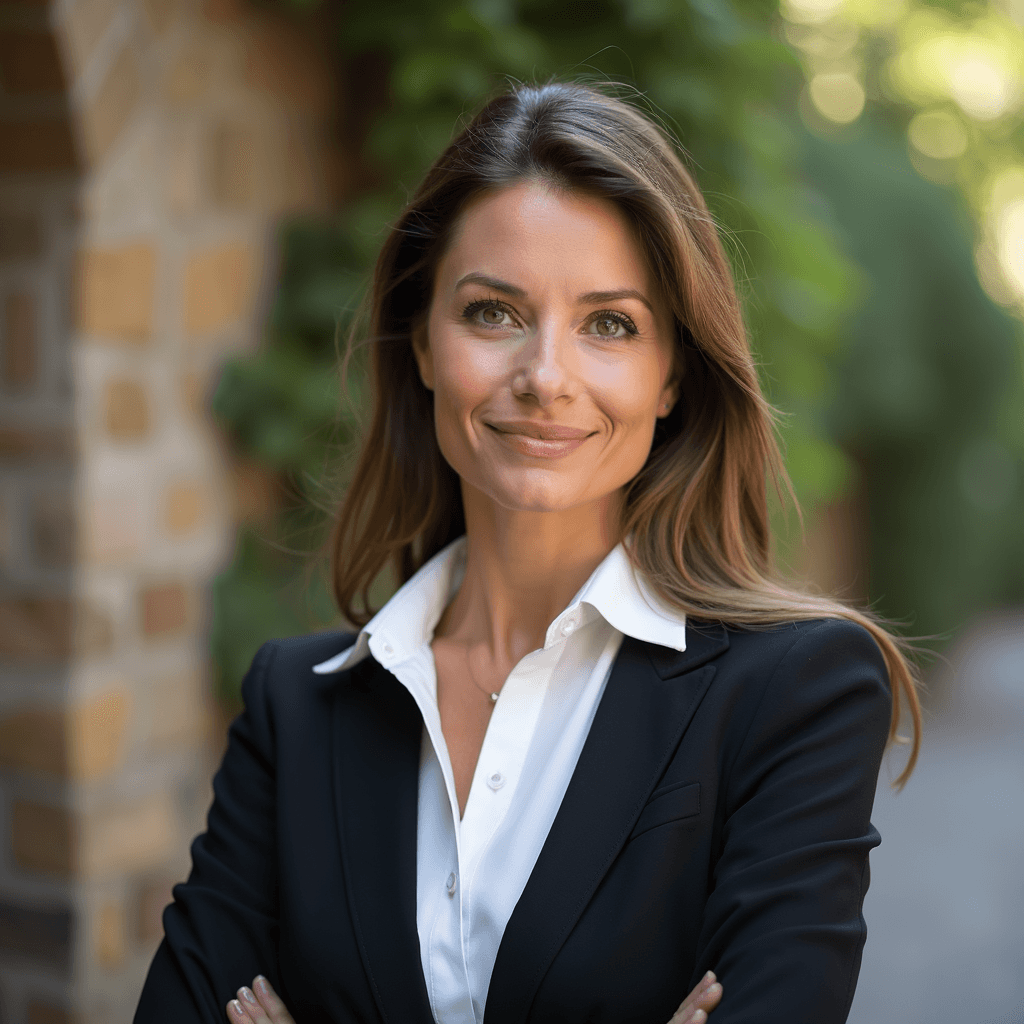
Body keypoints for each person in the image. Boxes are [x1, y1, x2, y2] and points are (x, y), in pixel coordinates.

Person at [134, 81, 921, 1024]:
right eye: (492, 312)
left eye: (609, 324)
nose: (545, 377)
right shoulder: (294, 707)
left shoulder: (795, 694)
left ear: (671, 375)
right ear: (423, 343)